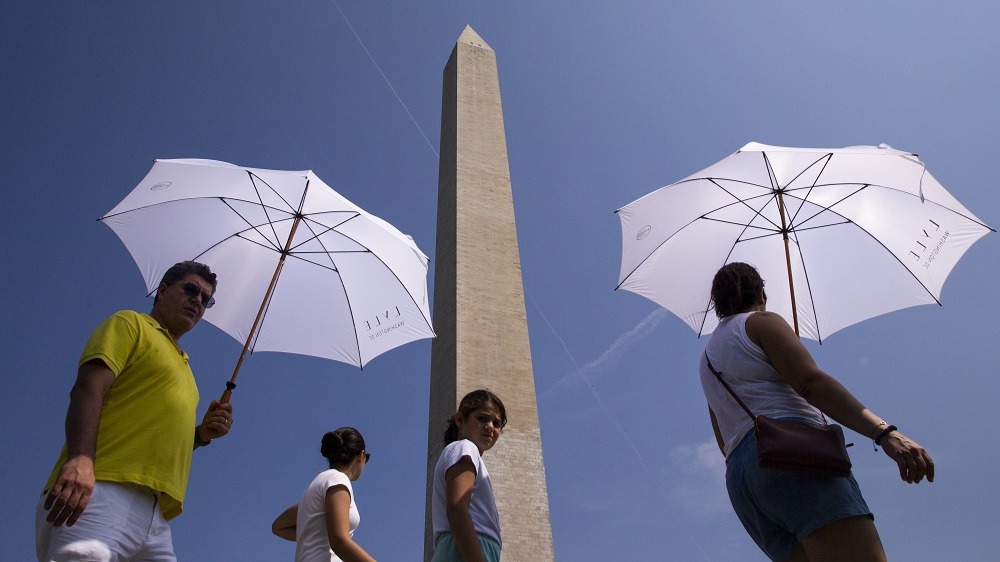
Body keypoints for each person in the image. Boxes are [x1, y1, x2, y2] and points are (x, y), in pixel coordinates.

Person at [700, 262, 934, 562]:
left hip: (745, 486)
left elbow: (725, 442)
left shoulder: (707, 360)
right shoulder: (762, 323)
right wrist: (884, 432)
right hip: (794, 460)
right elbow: (810, 383)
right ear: (760, 293)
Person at [36, 260, 234, 561]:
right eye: (191, 290)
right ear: (163, 290)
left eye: (206, 299)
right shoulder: (131, 324)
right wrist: (80, 457)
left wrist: (201, 435)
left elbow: (160, 437)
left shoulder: (187, 371)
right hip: (101, 487)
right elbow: (88, 389)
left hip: (157, 516)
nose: (198, 300)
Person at [272, 427, 376, 562]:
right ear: (361, 456)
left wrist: (316, 534)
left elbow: (278, 527)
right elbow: (340, 541)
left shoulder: (317, 486)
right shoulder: (338, 480)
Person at [430, 389, 506, 562]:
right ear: (460, 420)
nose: (490, 427)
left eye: (496, 423)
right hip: (464, 547)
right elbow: (457, 507)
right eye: (482, 418)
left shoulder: (468, 453)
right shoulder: (465, 447)